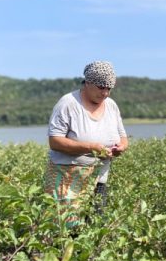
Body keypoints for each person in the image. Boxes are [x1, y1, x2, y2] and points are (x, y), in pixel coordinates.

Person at [44, 61, 128, 224]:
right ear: (88, 83)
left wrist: (121, 147)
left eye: (109, 88)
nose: (105, 93)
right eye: (101, 87)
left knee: (95, 225)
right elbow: (54, 141)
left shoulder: (111, 106)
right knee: (66, 228)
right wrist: (91, 147)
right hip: (67, 178)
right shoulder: (68, 103)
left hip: (99, 178)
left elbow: (123, 137)